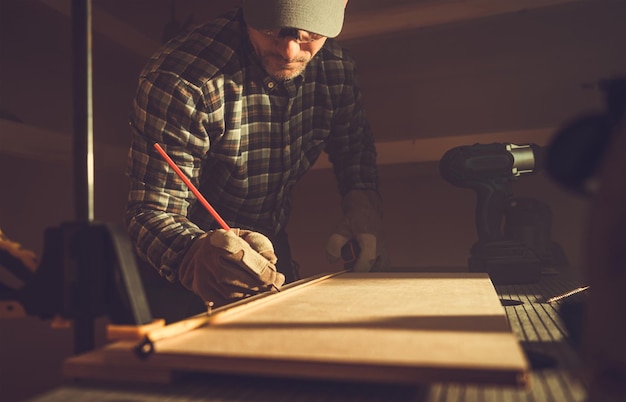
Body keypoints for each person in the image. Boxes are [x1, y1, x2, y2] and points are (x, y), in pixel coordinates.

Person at [125, 0, 386, 316]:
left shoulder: (336, 69)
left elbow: (353, 147)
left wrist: (362, 206)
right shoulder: (181, 77)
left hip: (273, 251)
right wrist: (195, 255)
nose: (289, 51)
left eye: (310, 34)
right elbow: (151, 211)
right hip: (183, 267)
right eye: (271, 30)